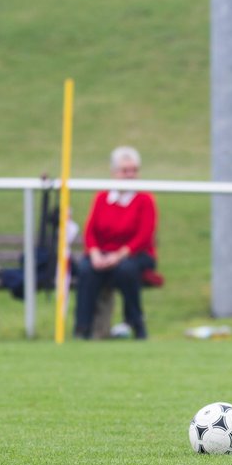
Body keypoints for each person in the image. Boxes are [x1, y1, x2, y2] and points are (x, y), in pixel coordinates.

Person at [74, 146, 158, 340]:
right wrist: (94, 254)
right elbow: (90, 231)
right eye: (125, 170)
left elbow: (144, 237)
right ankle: (83, 327)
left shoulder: (145, 199)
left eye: (134, 170)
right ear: (114, 173)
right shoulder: (102, 197)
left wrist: (117, 256)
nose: (130, 175)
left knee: (126, 270)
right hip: (102, 253)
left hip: (135, 254)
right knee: (86, 270)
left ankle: (135, 324)